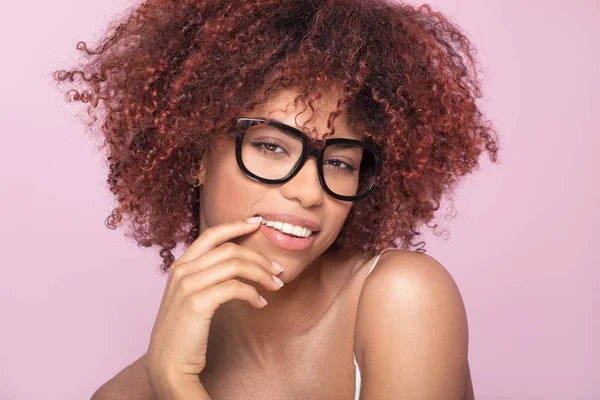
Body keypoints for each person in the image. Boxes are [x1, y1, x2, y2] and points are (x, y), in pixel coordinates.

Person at [53, 0, 499, 398]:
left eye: (341, 163)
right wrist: (168, 376)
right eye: (271, 147)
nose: (309, 192)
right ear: (195, 154)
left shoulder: (401, 297)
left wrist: (179, 388)